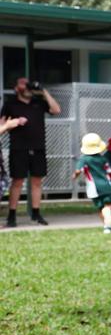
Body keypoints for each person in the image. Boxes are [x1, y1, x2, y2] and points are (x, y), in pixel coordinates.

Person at [2, 77, 62, 227]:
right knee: (18, 181)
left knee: (36, 181)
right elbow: (2, 126)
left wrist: (44, 91)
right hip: (18, 148)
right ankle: (12, 215)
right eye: (23, 83)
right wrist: (12, 124)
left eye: (28, 83)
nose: (27, 85)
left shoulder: (39, 102)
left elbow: (56, 110)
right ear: (17, 89)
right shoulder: (10, 105)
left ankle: (36, 213)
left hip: (38, 147)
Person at [73, 133, 111, 234]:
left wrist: (75, 175)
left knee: (101, 207)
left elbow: (78, 170)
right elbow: (110, 171)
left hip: (94, 188)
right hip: (107, 186)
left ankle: (106, 226)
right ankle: (108, 218)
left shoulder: (83, 159)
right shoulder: (103, 159)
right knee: (108, 205)